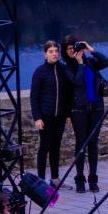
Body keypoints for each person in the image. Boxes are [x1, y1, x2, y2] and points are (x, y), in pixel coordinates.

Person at [63, 36, 108, 193]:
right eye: (69, 49)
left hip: (96, 107)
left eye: (75, 48)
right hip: (78, 110)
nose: (73, 52)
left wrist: (90, 49)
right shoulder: (66, 68)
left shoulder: (91, 62)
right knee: (81, 144)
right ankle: (79, 179)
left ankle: (93, 179)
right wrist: (79, 64)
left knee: (93, 144)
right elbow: (77, 82)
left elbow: (106, 62)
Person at [29, 41, 71, 182]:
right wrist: (37, 117)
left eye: (56, 51)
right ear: (45, 54)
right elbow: (34, 96)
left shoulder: (63, 70)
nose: (54, 54)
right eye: (51, 51)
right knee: (44, 147)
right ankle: (40, 179)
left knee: (56, 147)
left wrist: (68, 114)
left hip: (60, 115)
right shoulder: (40, 71)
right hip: (45, 116)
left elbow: (68, 94)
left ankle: (55, 178)